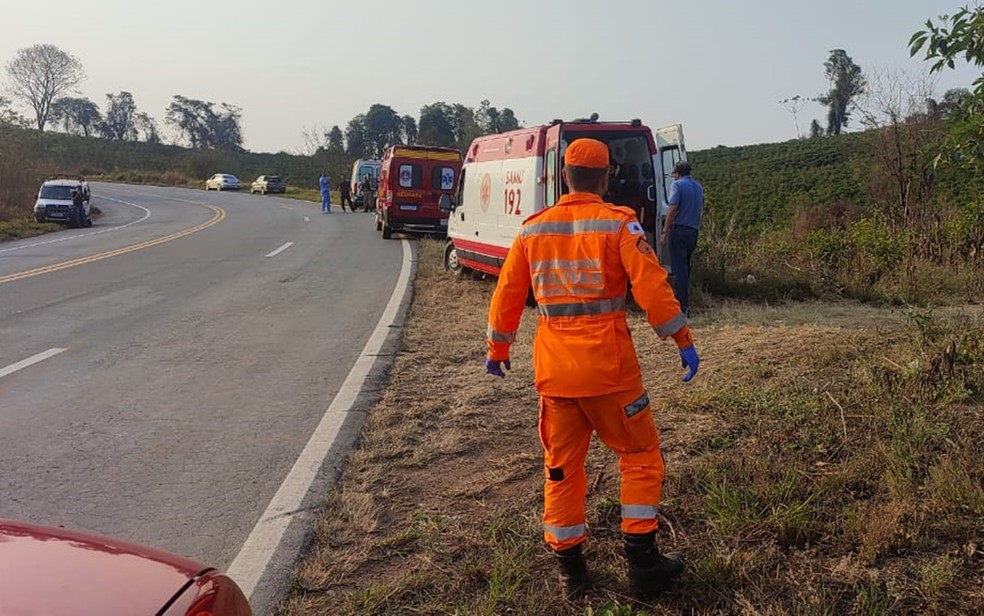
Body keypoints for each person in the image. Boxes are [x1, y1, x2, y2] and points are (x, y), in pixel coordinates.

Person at [485, 138, 700, 599]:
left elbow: (506, 297)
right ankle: (643, 567)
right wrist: (682, 340)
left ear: (564, 176)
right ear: (607, 179)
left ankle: (571, 573)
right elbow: (654, 288)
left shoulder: (531, 231)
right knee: (640, 457)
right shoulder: (619, 225)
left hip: (556, 377)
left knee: (561, 470)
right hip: (611, 372)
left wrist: (497, 350)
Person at [660, 161, 704, 314]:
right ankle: (686, 302)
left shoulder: (677, 185)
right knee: (686, 268)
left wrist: (665, 231)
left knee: (679, 271)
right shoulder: (698, 187)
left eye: (674, 174)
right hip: (693, 232)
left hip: (679, 231)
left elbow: (672, 208)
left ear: (677, 173)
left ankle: (682, 307)